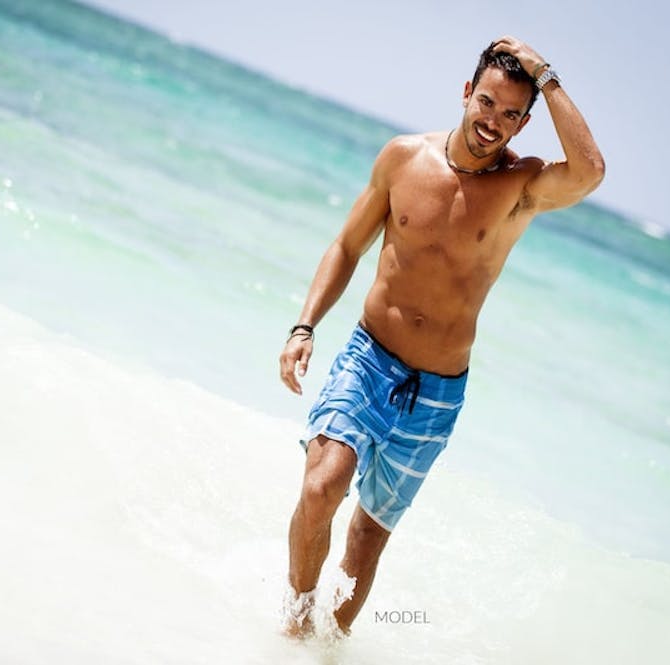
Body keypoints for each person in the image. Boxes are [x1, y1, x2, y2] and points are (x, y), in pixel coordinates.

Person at [278, 35, 604, 637]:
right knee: (322, 487)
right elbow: (347, 246)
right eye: (486, 102)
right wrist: (305, 325)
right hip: (368, 359)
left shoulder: (520, 188)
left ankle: (326, 648)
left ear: (525, 122)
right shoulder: (404, 158)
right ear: (466, 92)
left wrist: (546, 74)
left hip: (437, 394)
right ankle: (293, 626)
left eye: (510, 113)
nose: (493, 121)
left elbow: (589, 172)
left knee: (367, 539)